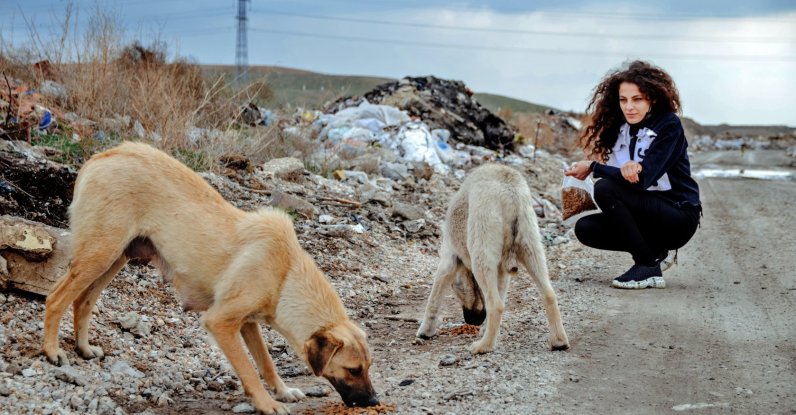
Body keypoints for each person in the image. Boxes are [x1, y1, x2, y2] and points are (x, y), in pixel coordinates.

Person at [564, 60, 702, 289]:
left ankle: (647, 266)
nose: (629, 107)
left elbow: (643, 179)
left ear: (652, 99)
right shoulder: (621, 129)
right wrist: (607, 170)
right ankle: (655, 252)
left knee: (605, 188)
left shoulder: (669, 125)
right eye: (623, 100)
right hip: (647, 214)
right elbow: (624, 179)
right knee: (586, 229)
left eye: (637, 99)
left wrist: (593, 167)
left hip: (678, 216)